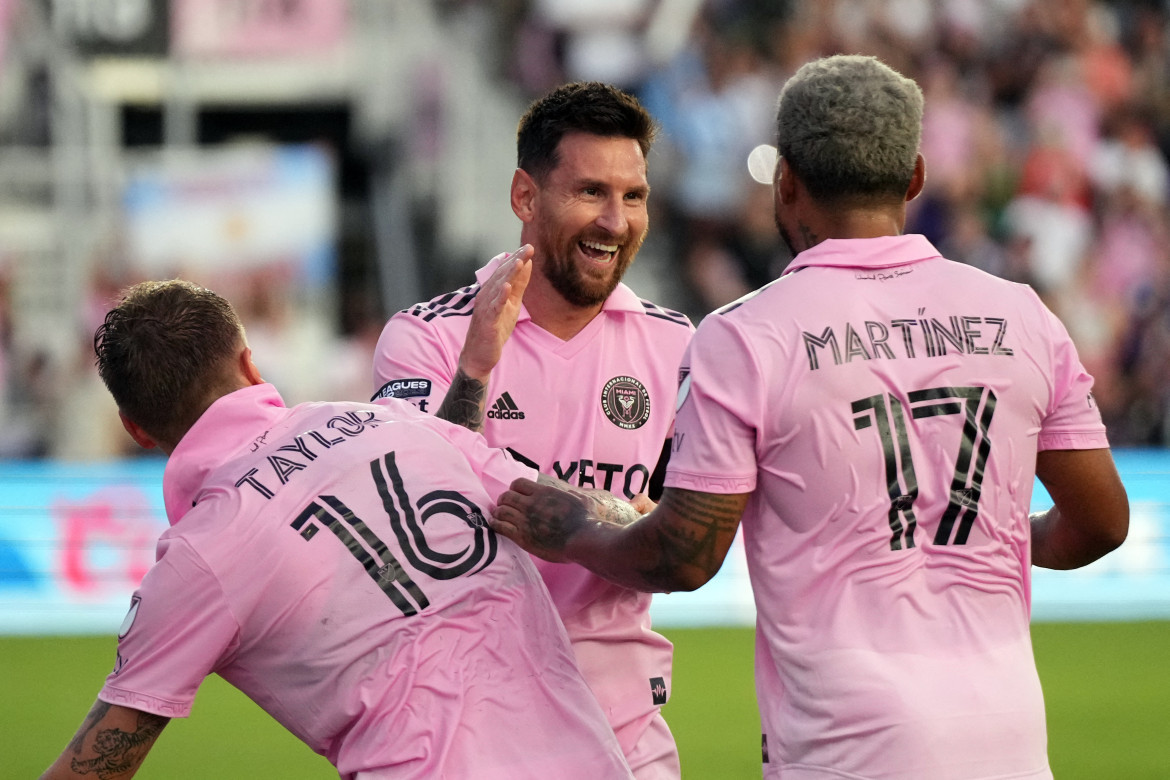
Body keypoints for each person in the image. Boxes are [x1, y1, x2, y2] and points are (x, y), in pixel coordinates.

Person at [490, 55, 1131, 779]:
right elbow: (1104, 522)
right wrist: (989, 531)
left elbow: (682, 557)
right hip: (1012, 743)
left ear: (785, 179)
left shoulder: (746, 335)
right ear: (914, 177)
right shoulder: (1020, 315)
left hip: (844, 750)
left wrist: (572, 528)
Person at [41, 280, 633, 780]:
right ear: (250, 363)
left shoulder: (198, 560)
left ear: (136, 429)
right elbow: (598, 517)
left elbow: (96, 765)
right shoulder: (395, 420)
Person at [372, 81, 693, 778]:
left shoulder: (678, 346)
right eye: (590, 193)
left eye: (633, 196)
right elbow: (421, 523)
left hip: (626, 732)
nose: (615, 220)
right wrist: (478, 370)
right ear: (526, 198)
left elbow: (689, 533)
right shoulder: (427, 338)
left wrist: (647, 518)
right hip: (465, 729)